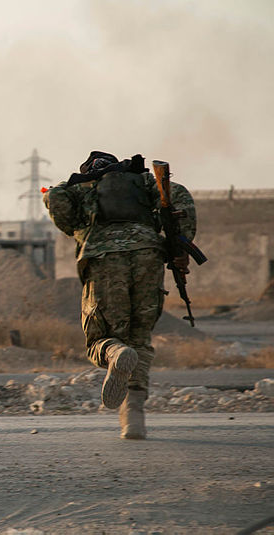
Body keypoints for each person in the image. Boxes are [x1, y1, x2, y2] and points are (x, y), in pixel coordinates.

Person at [43, 151, 196, 439]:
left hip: (104, 259)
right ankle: (133, 416)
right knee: (140, 338)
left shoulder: (82, 187)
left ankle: (115, 352)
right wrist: (179, 248)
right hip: (148, 255)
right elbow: (180, 197)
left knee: (99, 337)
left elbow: (54, 199)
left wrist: (73, 189)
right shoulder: (143, 181)